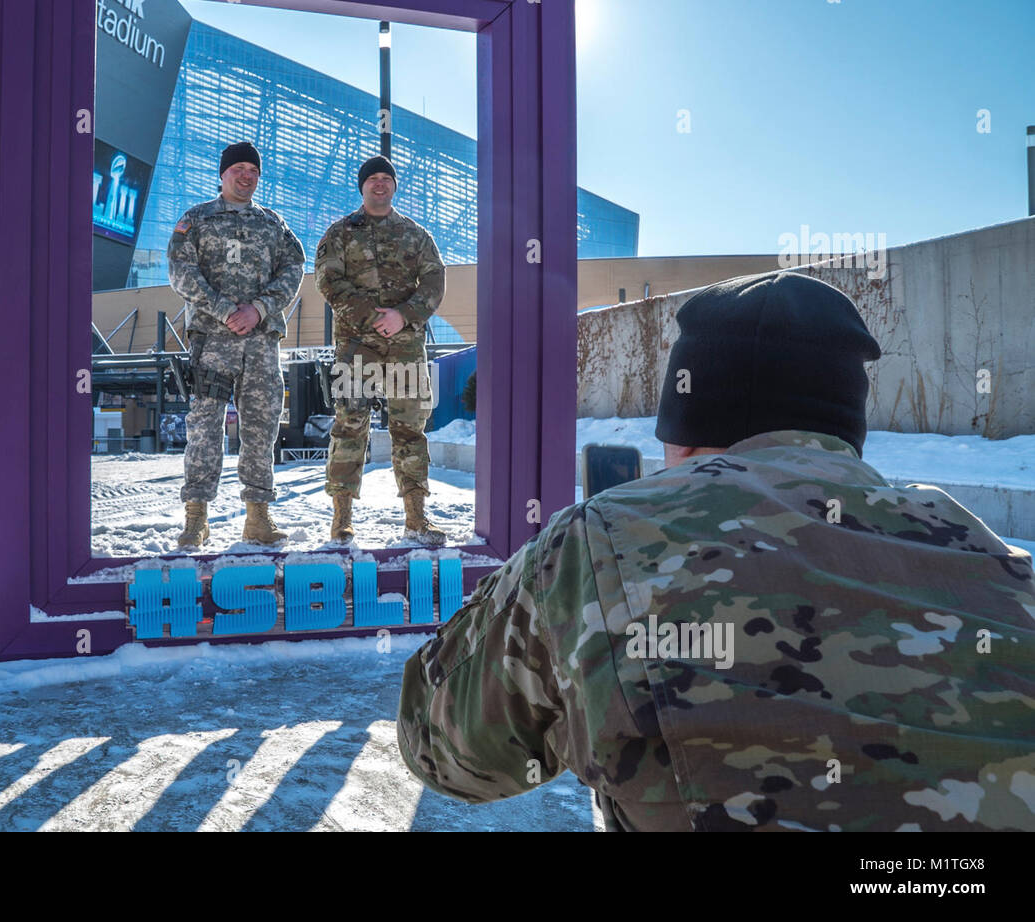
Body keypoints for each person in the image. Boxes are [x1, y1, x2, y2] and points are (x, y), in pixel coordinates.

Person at [397, 271, 1035, 831]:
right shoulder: (978, 543)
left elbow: (444, 748)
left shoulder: (603, 540)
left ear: (685, 430)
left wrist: (530, 588)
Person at [168, 141, 305, 547]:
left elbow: (294, 269)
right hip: (214, 340)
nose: (246, 175)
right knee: (205, 428)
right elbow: (180, 272)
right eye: (238, 169)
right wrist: (227, 310)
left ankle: (258, 517)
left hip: (261, 342)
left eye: (253, 170)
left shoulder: (273, 224)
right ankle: (196, 517)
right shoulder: (197, 220)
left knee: (261, 428)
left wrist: (259, 310)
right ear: (223, 174)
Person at [316, 155, 446, 545]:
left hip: (405, 347)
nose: (379, 184)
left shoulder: (415, 234)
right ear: (362, 186)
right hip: (357, 347)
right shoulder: (340, 233)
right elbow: (329, 281)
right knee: (349, 427)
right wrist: (374, 316)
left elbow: (435, 280)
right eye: (372, 178)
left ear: (394, 186)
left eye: (386, 178)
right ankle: (342, 518)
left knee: (410, 429)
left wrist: (403, 315)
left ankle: (416, 516)